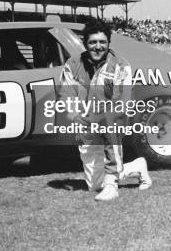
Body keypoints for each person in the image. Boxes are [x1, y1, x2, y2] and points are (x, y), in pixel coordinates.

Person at [59, 19, 152, 201]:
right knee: (94, 184)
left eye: (102, 42)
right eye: (93, 42)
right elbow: (66, 96)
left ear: (108, 43)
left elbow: (124, 102)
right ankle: (137, 167)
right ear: (85, 43)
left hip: (112, 120)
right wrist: (77, 116)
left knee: (110, 125)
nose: (98, 47)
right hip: (86, 124)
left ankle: (112, 186)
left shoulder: (121, 65)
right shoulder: (72, 64)